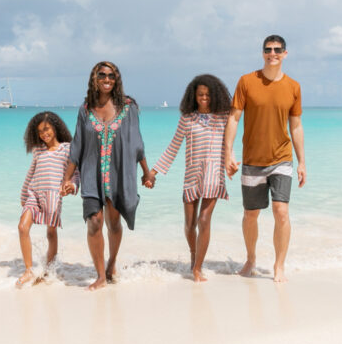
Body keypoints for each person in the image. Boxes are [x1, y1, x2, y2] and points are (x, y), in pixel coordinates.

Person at [61, 61, 152, 290]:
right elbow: (77, 147)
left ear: (116, 78)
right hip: (91, 176)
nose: (107, 79)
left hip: (118, 175)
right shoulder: (85, 110)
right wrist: (67, 179)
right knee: (94, 222)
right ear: (94, 78)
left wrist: (146, 172)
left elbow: (137, 143)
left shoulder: (128, 107)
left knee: (113, 223)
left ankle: (111, 263)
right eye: (102, 75)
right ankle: (100, 275)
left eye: (111, 75)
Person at [223, 34, 305, 282]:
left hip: (282, 158)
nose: (272, 53)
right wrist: (228, 152)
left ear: (285, 54)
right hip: (252, 160)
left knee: (281, 211)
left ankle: (279, 265)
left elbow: (296, 126)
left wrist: (302, 162)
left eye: (277, 49)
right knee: (251, 214)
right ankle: (251, 258)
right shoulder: (247, 81)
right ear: (262, 53)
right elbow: (234, 118)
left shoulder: (293, 87)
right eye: (268, 49)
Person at [145, 74, 231, 282]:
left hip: (214, 174)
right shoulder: (187, 119)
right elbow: (173, 147)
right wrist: (153, 172)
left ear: (215, 96)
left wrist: (232, 162)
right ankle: (194, 256)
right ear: (193, 96)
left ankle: (197, 268)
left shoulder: (223, 118)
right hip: (192, 175)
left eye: (208, 95)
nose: (204, 98)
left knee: (204, 220)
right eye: (200, 94)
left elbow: (230, 143)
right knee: (189, 224)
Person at [16, 111, 77, 287]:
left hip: (53, 196)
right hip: (34, 194)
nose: (44, 134)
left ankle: (49, 270)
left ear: (55, 128)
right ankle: (28, 270)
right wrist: (23, 195)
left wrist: (72, 186)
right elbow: (30, 174)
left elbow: (75, 173)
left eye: (47, 129)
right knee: (22, 227)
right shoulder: (38, 150)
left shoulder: (67, 149)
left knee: (51, 232)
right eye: (40, 132)